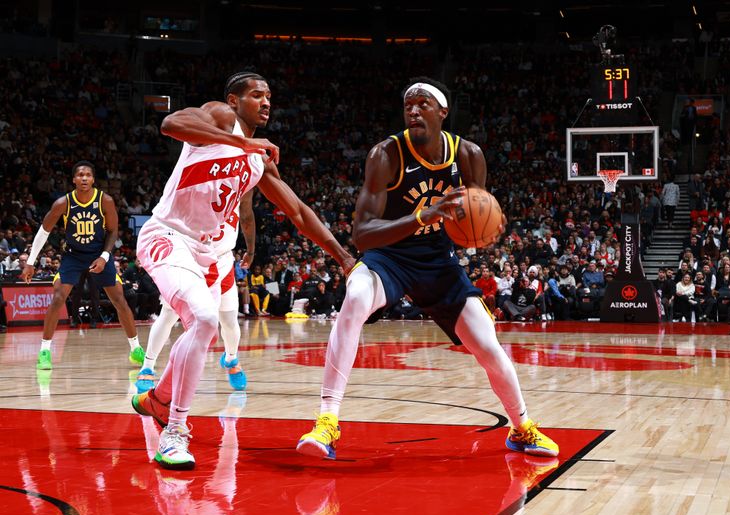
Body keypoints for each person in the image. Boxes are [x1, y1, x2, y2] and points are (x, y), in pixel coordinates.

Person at [296, 77, 558, 460]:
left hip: (439, 261)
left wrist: (488, 229)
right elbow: (363, 235)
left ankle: (521, 428)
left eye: (423, 104)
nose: (414, 111)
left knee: (486, 342)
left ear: (443, 112)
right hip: (390, 257)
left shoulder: (468, 154)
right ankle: (327, 423)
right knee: (354, 298)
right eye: (408, 106)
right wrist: (423, 216)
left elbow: (474, 216)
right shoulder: (385, 154)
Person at [130, 71, 354, 470]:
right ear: (234, 101)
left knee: (203, 325)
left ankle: (159, 399)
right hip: (168, 235)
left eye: (269, 96)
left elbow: (299, 212)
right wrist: (242, 141)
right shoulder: (218, 117)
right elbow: (170, 123)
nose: (265, 102)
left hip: (211, 253)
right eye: (256, 95)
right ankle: (175, 431)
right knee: (202, 319)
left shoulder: (258, 160)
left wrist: (344, 257)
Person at [22, 161, 144, 370]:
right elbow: (44, 231)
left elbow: (113, 231)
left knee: (119, 299)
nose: (84, 178)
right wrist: (30, 263)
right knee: (59, 297)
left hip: (98, 254)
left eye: (88, 175)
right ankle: (44, 351)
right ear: (74, 179)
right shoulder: (63, 203)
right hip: (73, 256)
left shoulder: (105, 200)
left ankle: (136, 349)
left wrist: (105, 256)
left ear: (93, 179)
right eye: (80, 175)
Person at [134, 195, 255, 394]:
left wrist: (250, 251)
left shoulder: (240, 185)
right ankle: (147, 366)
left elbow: (247, 216)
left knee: (229, 320)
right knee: (168, 315)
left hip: (223, 260)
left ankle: (232, 358)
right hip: (191, 257)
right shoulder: (196, 185)